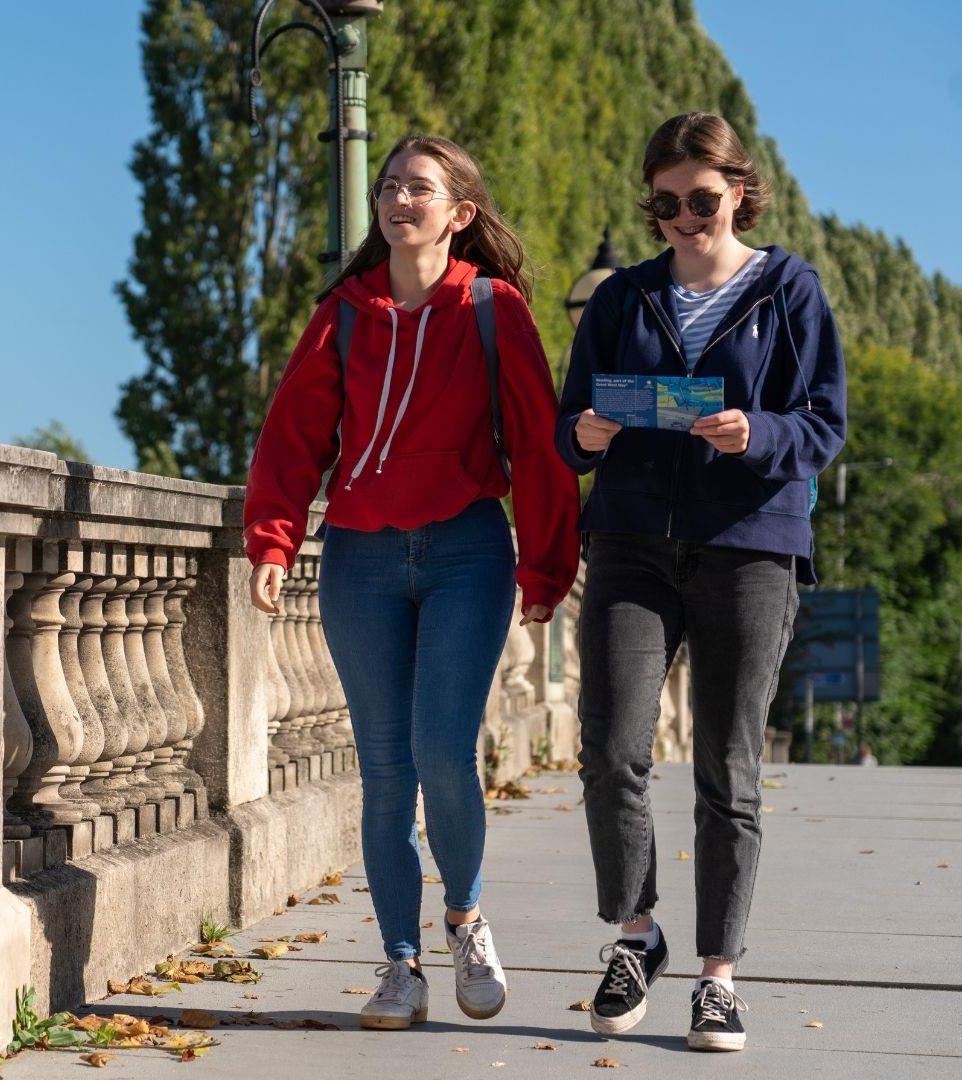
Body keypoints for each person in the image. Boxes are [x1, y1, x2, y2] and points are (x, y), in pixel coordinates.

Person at [244, 134, 579, 1030]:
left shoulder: (493, 309)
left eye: (418, 188)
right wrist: (273, 542)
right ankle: (400, 965)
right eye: (389, 185)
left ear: (458, 214)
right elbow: (292, 435)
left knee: (443, 754)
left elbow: (538, 439)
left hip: (468, 554)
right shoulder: (343, 313)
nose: (398, 198)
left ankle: (465, 920)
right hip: (359, 560)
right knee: (386, 774)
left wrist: (549, 562)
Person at [556, 112, 847, 1052]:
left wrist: (756, 435)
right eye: (669, 201)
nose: (686, 216)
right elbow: (566, 431)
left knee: (728, 768)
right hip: (633, 544)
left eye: (705, 199)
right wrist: (585, 439)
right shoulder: (620, 299)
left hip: (750, 544)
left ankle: (719, 977)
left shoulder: (789, 289)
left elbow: (824, 424)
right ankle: (637, 935)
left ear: (740, 192)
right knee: (610, 751)